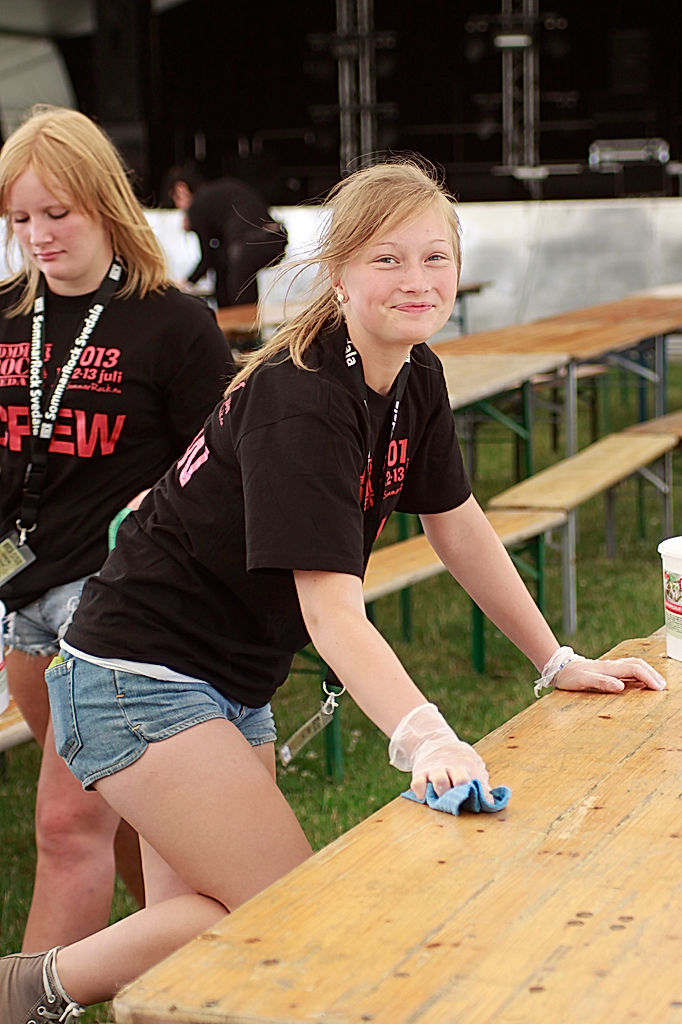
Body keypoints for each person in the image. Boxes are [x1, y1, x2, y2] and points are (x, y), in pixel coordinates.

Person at [0, 157, 665, 1022]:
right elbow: (332, 611)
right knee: (294, 912)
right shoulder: (304, 399)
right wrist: (425, 740)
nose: (416, 281)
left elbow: (455, 520)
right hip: (136, 680)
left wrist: (555, 658)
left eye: (435, 258)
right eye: (386, 260)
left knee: (213, 943)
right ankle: (31, 989)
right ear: (339, 272)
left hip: (228, 684)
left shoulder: (412, 372)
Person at [0, 105, 235, 954]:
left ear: (105, 202)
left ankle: (29, 996)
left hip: (118, 607)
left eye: (56, 214)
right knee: (122, 811)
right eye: (21, 218)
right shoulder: (5, 314)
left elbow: (225, 467)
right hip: (22, 597)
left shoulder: (173, 321)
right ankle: (175, 973)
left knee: (66, 825)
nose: (38, 236)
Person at [167, 165, 287, 306]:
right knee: (234, 273)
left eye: (175, 198)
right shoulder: (217, 194)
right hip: (275, 237)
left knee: (236, 292)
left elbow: (207, 258)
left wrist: (186, 282)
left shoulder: (197, 206)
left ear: (181, 190)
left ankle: (236, 322)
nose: (177, 206)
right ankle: (248, 322)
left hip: (247, 244)